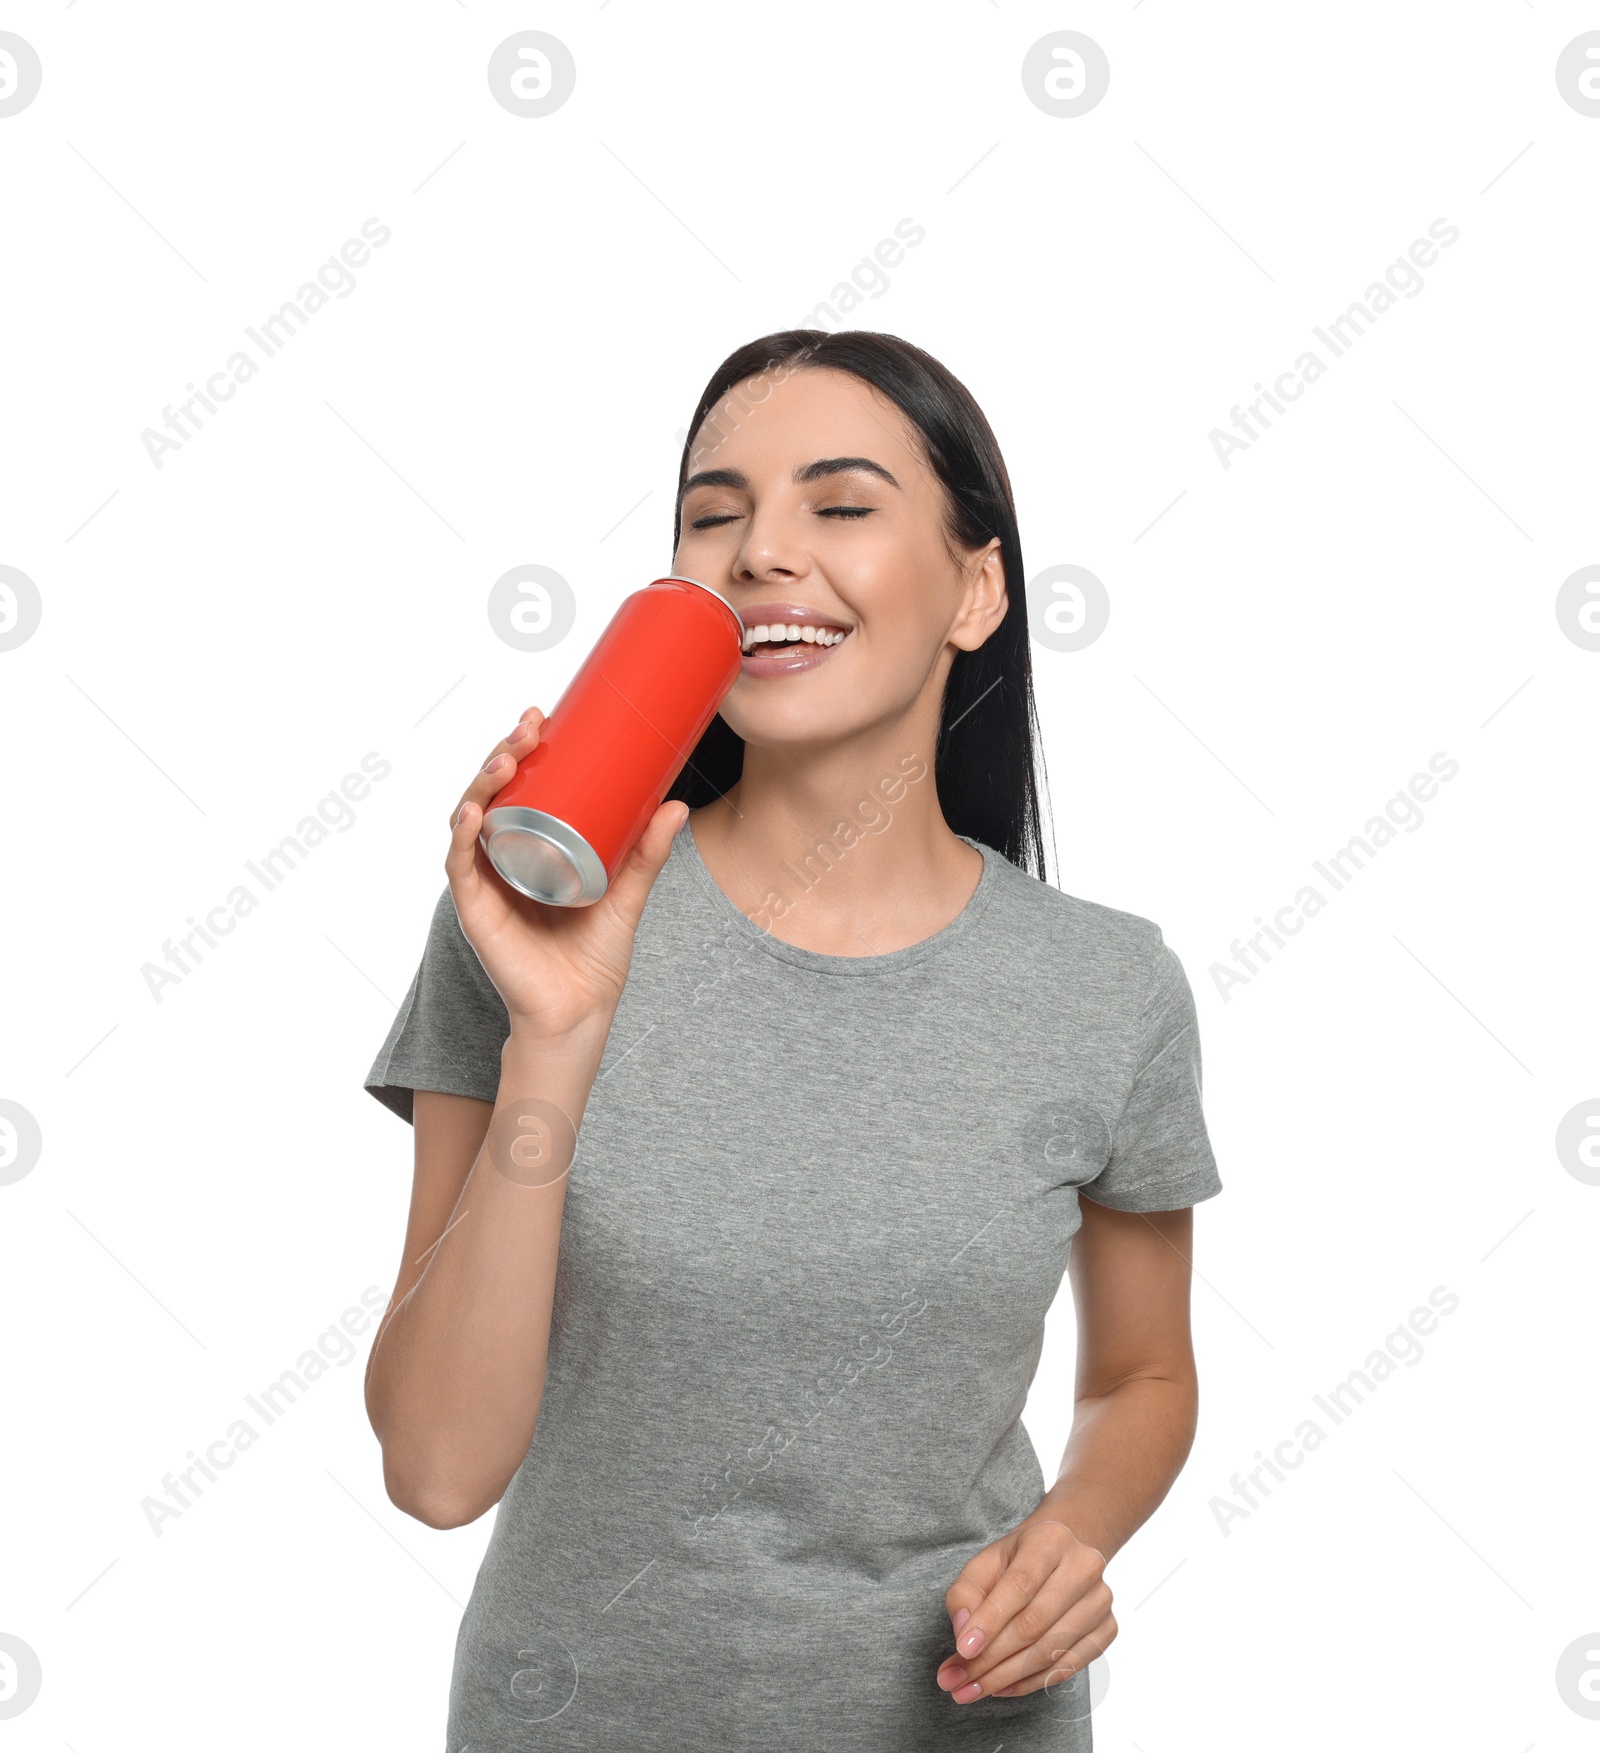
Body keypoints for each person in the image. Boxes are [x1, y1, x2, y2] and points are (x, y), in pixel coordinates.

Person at [361, 329, 1223, 1750]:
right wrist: (556, 1044)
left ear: (976, 589)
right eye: (714, 514)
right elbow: (441, 1468)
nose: (762, 550)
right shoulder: (525, 930)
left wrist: (1076, 1536)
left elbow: (1147, 1372)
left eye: (840, 504)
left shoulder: (1107, 986)